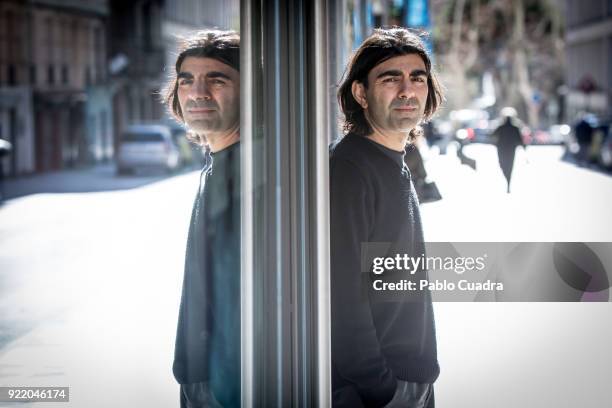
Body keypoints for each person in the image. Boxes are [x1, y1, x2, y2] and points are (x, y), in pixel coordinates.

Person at [331, 27, 444, 407]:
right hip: (378, 392)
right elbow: (341, 295)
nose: (407, 90)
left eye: (417, 78)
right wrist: (382, 387)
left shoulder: (391, 158)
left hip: (407, 379)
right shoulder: (349, 168)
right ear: (360, 92)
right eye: (390, 78)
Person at [163, 30, 241, 408]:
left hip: (230, 386)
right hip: (205, 378)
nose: (198, 92)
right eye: (187, 80)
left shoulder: (246, 170)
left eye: (217, 79)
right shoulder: (219, 163)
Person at [491, 107, 525, 193]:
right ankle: (508, 181)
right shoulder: (511, 128)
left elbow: (492, 135)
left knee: (504, 165)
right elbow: (520, 140)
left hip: (503, 149)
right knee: (509, 166)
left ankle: (508, 182)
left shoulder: (511, 127)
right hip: (509, 150)